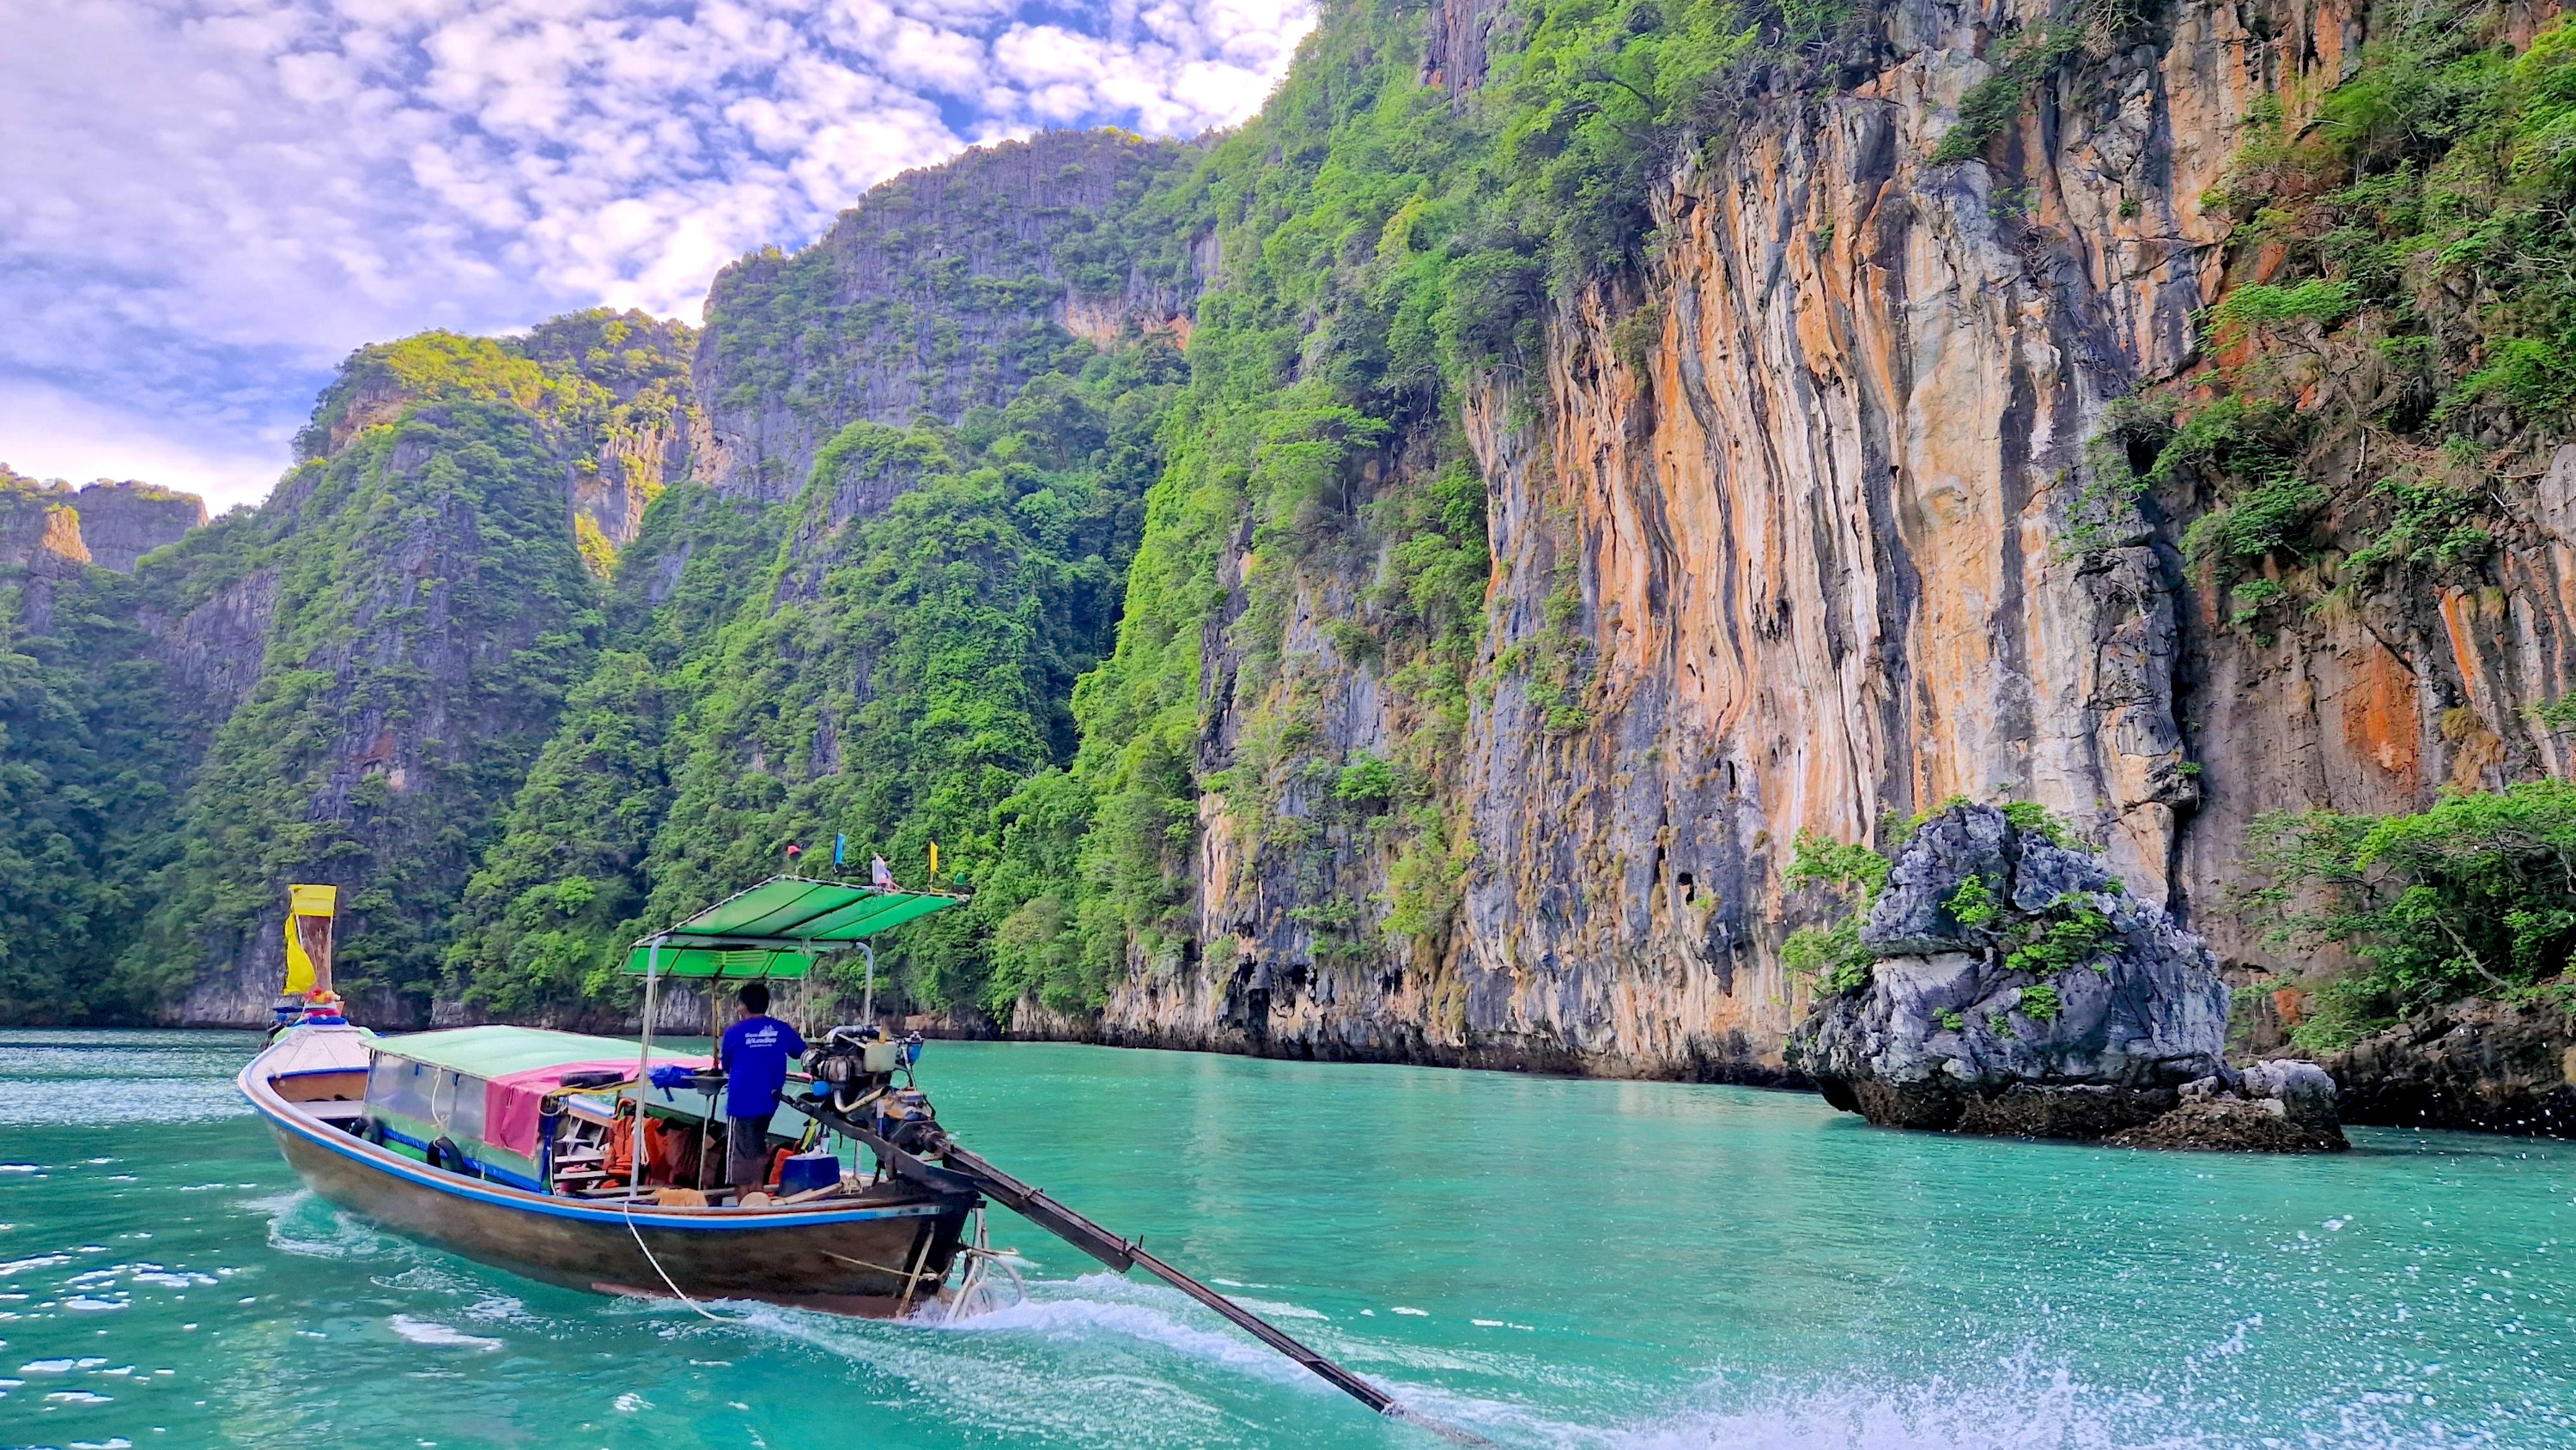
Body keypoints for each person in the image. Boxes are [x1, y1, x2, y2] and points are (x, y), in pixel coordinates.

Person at [716, 982, 806, 1196]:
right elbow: (801, 1053)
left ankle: (745, 1206)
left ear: (743, 1006)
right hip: (769, 1102)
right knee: (757, 1150)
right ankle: (757, 1197)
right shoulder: (782, 1029)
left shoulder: (734, 1033)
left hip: (741, 1103)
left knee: (739, 1158)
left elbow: (726, 1065)